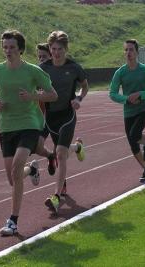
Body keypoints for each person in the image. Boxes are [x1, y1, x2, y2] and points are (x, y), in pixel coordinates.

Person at [0, 30, 58, 236]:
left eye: (12, 47)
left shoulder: (33, 71)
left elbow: (52, 95)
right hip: (6, 126)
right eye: (5, 47)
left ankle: (13, 221)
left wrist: (32, 96)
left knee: (16, 167)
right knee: (13, 177)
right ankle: (31, 170)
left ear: (21, 49)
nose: (8, 51)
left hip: (29, 124)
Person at [41, 31, 88, 215]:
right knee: (61, 152)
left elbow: (84, 86)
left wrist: (79, 99)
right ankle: (77, 148)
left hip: (67, 116)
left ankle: (56, 197)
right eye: (53, 49)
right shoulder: (43, 68)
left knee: (60, 154)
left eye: (60, 49)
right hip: (50, 117)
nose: (56, 52)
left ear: (66, 49)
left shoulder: (74, 68)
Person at [109, 39, 145, 182]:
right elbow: (112, 93)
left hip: (144, 108)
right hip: (129, 111)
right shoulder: (120, 72)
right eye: (126, 50)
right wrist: (126, 99)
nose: (128, 53)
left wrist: (141, 95)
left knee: (134, 134)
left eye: (131, 49)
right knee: (132, 143)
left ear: (137, 52)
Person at [35, 43, 58, 176]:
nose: (42, 60)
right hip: (41, 117)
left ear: (51, 56)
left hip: (56, 116)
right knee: (37, 147)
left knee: (60, 151)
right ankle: (50, 156)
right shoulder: (35, 73)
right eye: (39, 57)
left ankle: (62, 186)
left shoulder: (56, 73)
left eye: (44, 57)